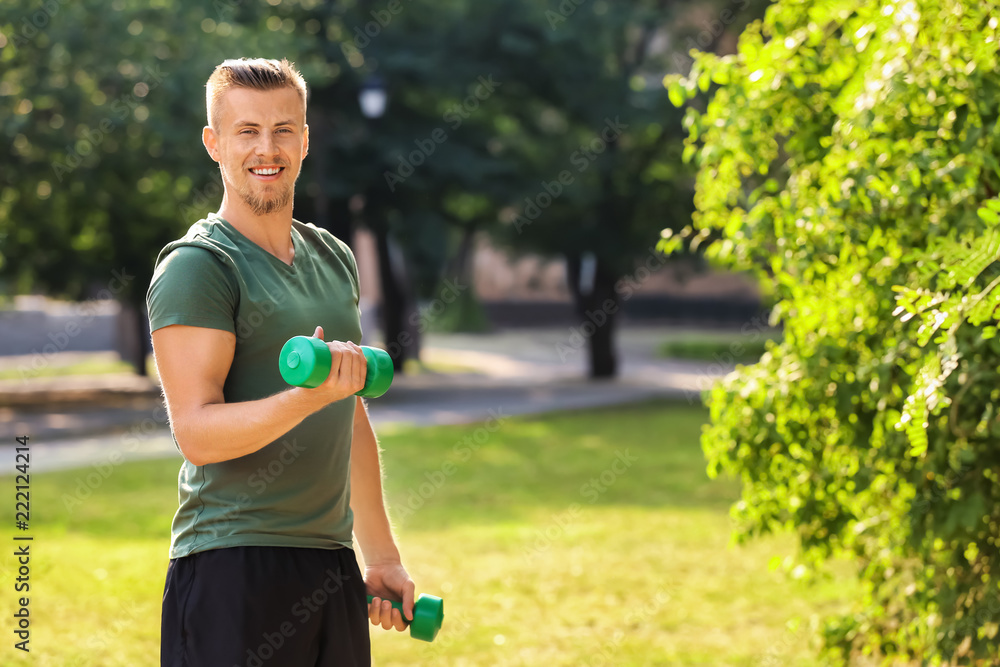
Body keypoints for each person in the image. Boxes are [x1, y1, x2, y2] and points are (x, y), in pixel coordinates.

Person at [147, 57, 413, 667]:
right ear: (214, 142)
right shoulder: (199, 266)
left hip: (330, 563)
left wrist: (382, 557)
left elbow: (348, 417)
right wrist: (305, 397)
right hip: (232, 564)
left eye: (282, 129)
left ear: (304, 139)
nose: (267, 148)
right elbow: (196, 434)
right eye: (246, 131)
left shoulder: (333, 256)